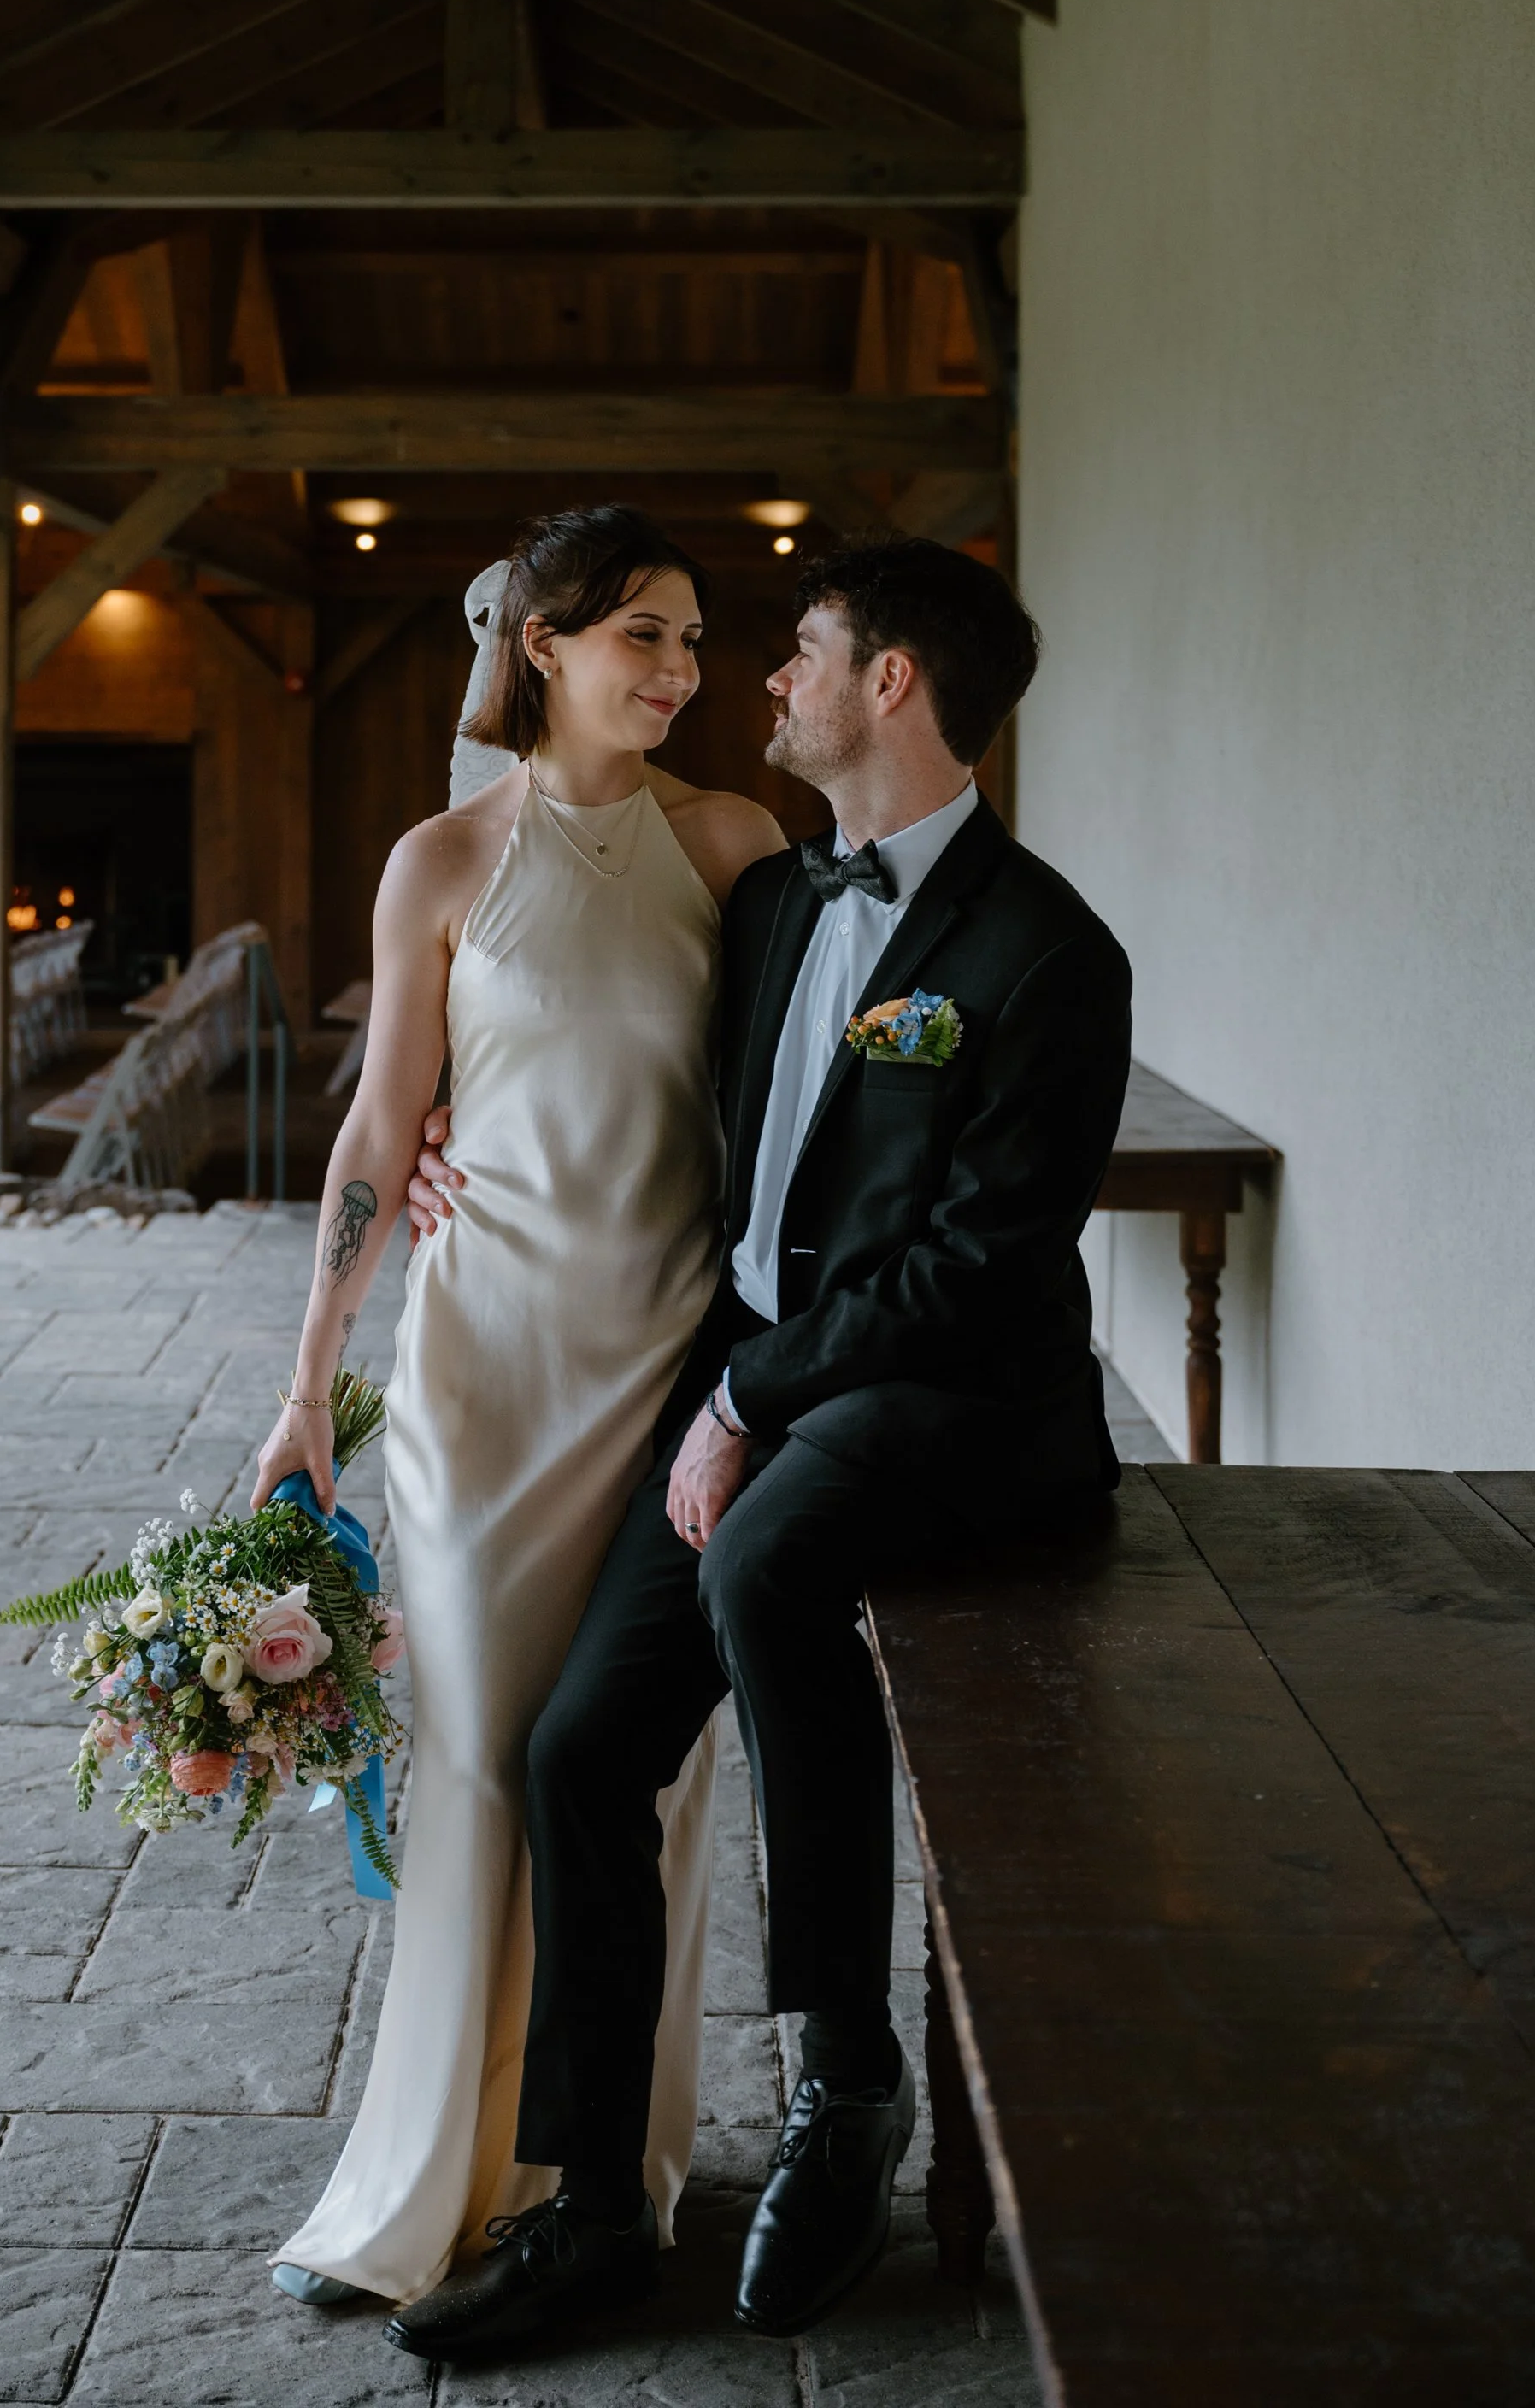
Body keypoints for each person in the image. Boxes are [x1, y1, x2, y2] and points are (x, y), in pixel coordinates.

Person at [387, 537, 1132, 2361]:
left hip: (962, 1398)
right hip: (765, 1370)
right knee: (574, 1750)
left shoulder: (1050, 952)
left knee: (774, 1558)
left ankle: (841, 2080)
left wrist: (737, 1402)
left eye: (795, 652)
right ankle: (585, 2213)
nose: (762, 683)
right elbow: (585, 1016)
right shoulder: (782, 901)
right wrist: (429, 1124)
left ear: (890, 684)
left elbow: (977, 1268)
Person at [253, 504, 785, 2309]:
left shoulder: (735, 843)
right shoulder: (444, 861)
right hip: (482, 1371)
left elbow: (783, 1122)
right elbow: (377, 1122)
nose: (680, 672)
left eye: (696, 641)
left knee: (638, 1775)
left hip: (668, 1374)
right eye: (643, 634)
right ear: (543, 645)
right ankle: (422, 2186)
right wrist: (310, 1382)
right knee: (478, 1763)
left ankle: (600, 2166)